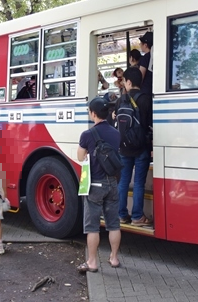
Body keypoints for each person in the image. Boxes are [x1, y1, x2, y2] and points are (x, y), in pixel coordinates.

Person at [76, 97, 121, 272]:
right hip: (112, 184)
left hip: (94, 185)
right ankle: (114, 258)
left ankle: (92, 262)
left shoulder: (87, 135)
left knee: (92, 226)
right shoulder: (116, 133)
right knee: (113, 224)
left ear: (93, 113)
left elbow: (80, 157)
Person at [117, 67, 153, 226]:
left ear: (129, 82)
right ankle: (137, 217)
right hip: (141, 148)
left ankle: (121, 214)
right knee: (138, 182)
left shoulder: (120, 100)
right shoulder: (146, 99)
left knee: (123, 181)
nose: (124, 84)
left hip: (124, 147)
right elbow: (150, 124)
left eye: (124, 81)